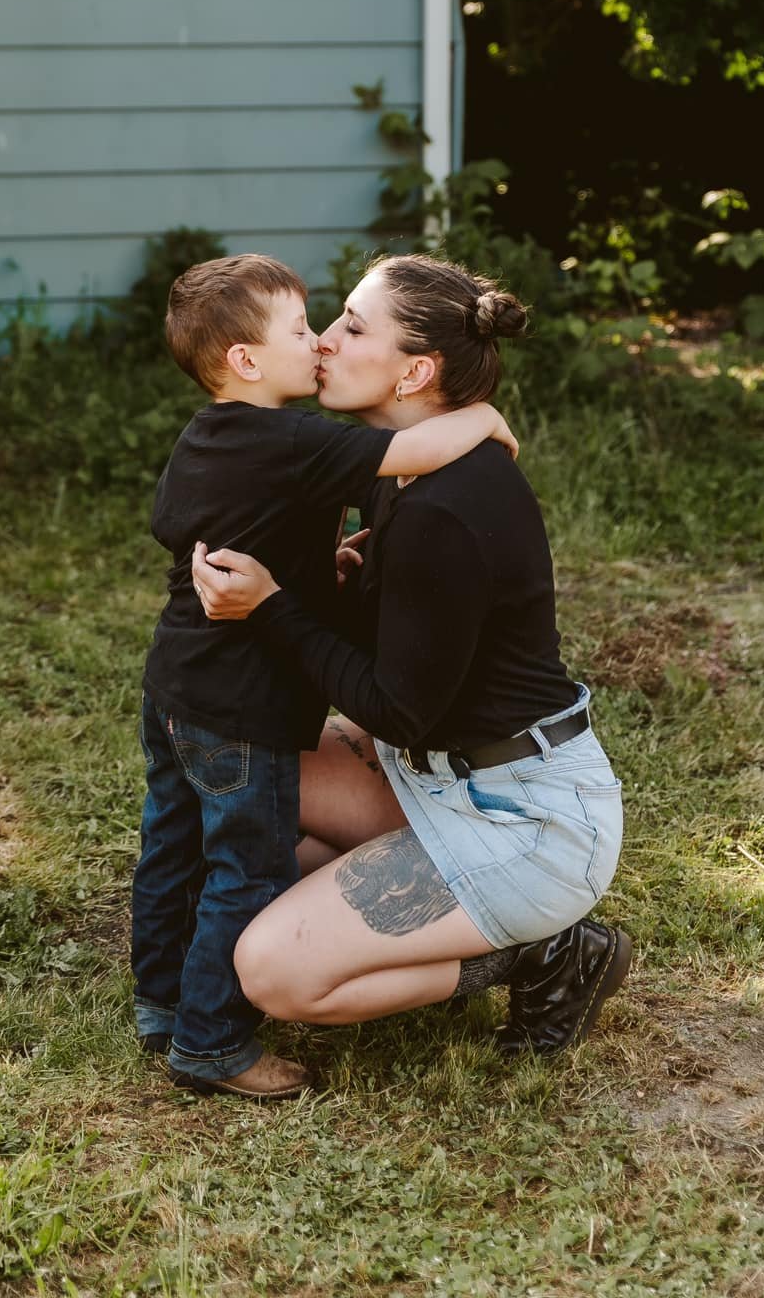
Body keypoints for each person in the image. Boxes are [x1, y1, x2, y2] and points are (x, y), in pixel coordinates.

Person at [191, 253, 630, 1061]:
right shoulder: (400, 475)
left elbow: (393, 705)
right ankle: (452, 916)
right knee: (229, 805)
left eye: (352, 327)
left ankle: (539, 954)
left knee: (273, 972)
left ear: (415, 371)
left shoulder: (449, 506)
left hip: (524, 819)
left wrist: (274, 608)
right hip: (427, 773)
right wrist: (333, 586)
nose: (323, 341)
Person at [134, 253, 519, 1100]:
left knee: (173, 850)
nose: (318, 346)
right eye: (304, 331)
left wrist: (314, 571)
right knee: (249, 867)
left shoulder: (209, 435)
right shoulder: (287, 439)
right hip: (244, 710)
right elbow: (413, 446)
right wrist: (484, 418)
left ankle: (160, 1005)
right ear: (245, 361)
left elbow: (199, 523)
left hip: (175, 692)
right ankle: (211, 1042)